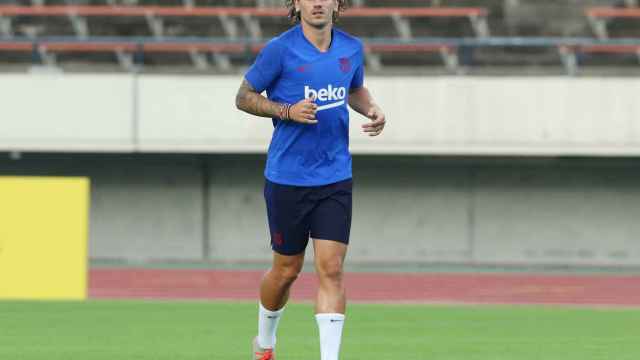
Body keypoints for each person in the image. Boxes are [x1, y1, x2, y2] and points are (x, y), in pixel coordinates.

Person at [235, 0, 386, 359]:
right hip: (288, 178)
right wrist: (286, 110)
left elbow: (353, 89)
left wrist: (372, 108)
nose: (317, 2)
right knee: (286, 270)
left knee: (331, 269)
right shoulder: (279, 50)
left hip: (335, 176)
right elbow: (243, 97)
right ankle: (265, 343)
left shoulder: (352, 48)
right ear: (296, 4)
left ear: (338, 3)